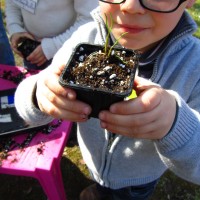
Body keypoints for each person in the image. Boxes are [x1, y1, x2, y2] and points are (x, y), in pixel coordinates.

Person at [15, 0, 200, 199]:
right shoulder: (84, 39)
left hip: (137, 179)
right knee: (102, 188)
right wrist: (38, 94)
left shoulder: (195, 66)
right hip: (94, 161)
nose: (130, 6)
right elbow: (29, 102)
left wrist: (176, 124)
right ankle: (100, 189)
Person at [5, 0, 98, 69]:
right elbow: (13, 3)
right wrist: (15, 28)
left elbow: (90, 18)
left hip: (67, 51)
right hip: (31, 49)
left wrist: (53, 46)